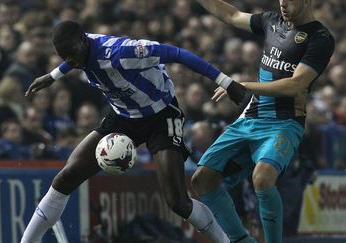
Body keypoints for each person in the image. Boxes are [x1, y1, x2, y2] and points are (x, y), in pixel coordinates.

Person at [20, 20, 247, 243]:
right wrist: (53, 76)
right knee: (66, 177)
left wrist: (226, 82)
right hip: (123, 117)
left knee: (177, 202)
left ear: (83, 42)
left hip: (161, 115)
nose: (70, 62)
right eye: (64, 57)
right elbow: (73, 58)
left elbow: (177, 53)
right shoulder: (79, 50)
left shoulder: (123, 52)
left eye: (71, 56)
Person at [191, 0, 335, 242]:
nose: (283, 4)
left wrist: (244, 86)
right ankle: (240, 239)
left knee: (262, 177)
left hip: (285, 123)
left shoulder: (320, 38)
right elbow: (231, 15)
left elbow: (295, 84)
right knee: (202, 179)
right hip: (252, 117)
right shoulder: (271, 21)